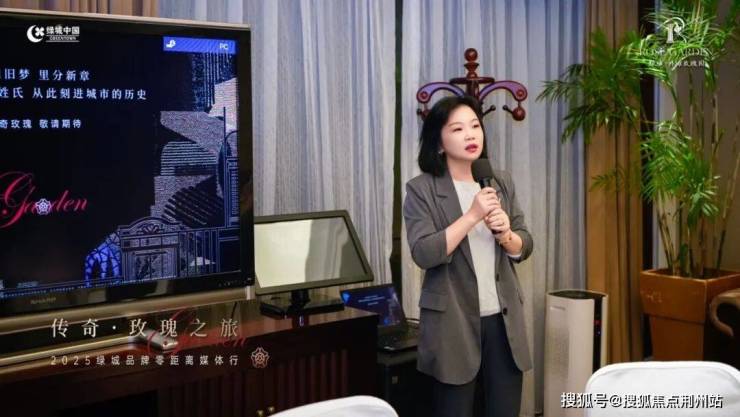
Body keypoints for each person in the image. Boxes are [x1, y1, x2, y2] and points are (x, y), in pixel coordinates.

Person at [403, 95, 533, 417]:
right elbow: (423, 252)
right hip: (453, 323)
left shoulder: (499, 181)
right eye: (458, 129)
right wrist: (472, 215)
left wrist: (507, 235)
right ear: (439, 142)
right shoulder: (422, 189)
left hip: (503, 321)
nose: (471, 135)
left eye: (475, 126)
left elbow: (524, 243)